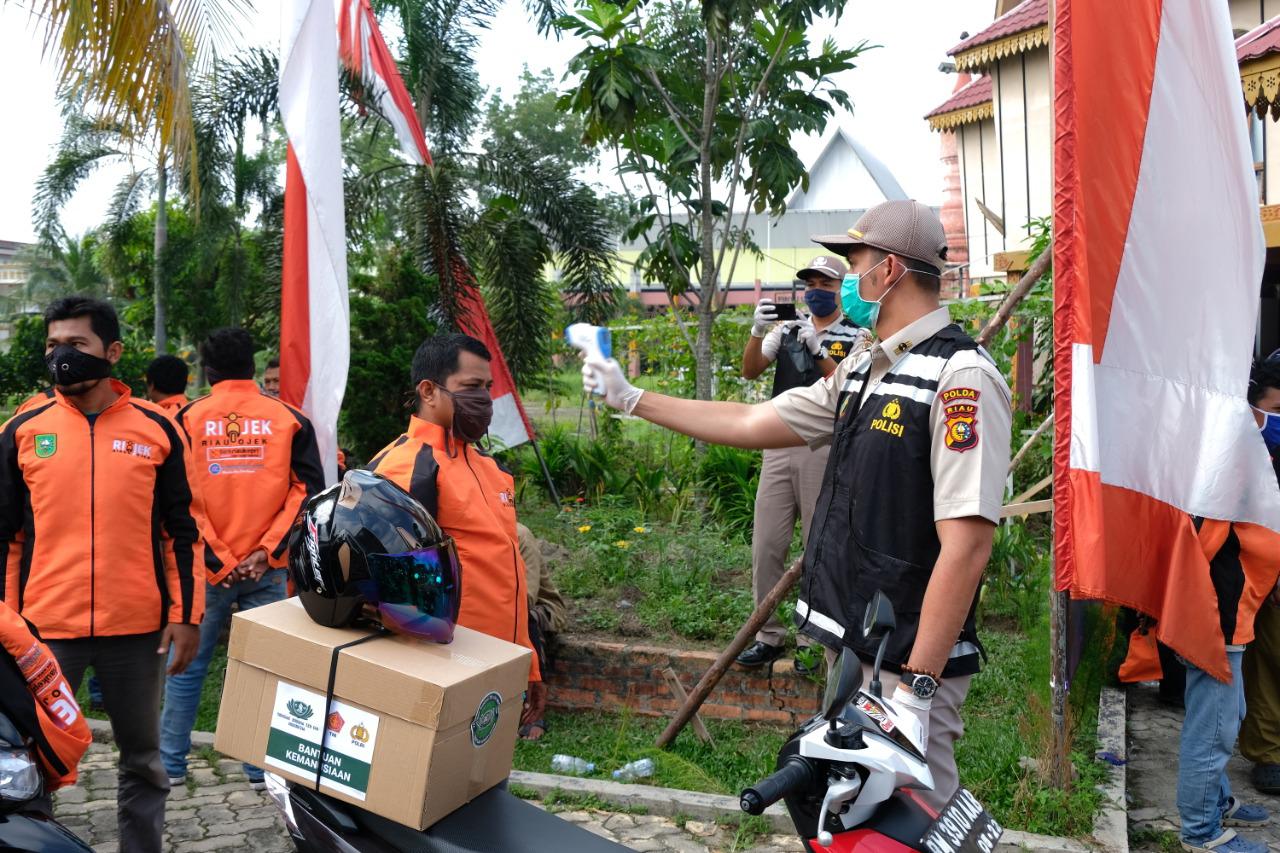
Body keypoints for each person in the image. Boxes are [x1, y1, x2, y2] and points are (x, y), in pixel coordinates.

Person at [582, 200, 1012, 811]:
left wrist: (916, 693)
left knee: (915, 819)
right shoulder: (865, 365)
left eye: (853, 261)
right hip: (855, 642)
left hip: (908, 660)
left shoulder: (958, 375)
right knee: (855, 817)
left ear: (888, 270)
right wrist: (632, 397)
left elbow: (967, 545)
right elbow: (756, 419)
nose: (844, 278)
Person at [0, 296, 204, 853]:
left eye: (76, 345)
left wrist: (186, 617)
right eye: (52, 346)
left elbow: (181, 533)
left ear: (112, 352)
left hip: (136, 632)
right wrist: (8, 623)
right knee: (31, 760)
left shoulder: (158, 430)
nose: (62, 356)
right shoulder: (22, 430)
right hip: (43, 634)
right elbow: (7, 539)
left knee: (143, 760)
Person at [160, 327, 324, 790]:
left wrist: (218, 557)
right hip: (265, 569)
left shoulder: (185, 419)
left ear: (206, 371)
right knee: (264, 670)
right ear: (254, 366)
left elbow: (177, 498)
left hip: (204, 570)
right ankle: (259, 769)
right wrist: (266, 550)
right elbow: (308, 491)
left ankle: (171, 765)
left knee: (186, 667)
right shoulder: (289, 418)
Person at [368, 334, 544, 730]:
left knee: (485, 784)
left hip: (500, 666)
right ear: (428, 391)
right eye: (470, 388)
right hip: (448, 673)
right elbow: (401, 599)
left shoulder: (487, 467)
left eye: (487, 388)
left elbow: (506, 573)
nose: (483, 399)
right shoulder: (403, 469)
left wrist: (528, 664)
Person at [737, 256, 869, 672]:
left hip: (823, 447)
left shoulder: (858, 335)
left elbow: (849, 388)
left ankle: (814, 638)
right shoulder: (787, 329)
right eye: (809, 282)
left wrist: (819, 352)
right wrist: (758, 333)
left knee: (819, 545)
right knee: (767, 546)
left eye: (824, 283)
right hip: (778, 444)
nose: (815, 290)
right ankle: (768, 635)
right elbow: (749, 370)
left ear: (841, 289)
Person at [1172, 365, 1280, 853]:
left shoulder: (1245, 451)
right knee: (1213, 727)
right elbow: (1203, 537)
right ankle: (1201, 832)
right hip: (1218, 609)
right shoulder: (1231, 456)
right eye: (1276, 410)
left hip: (1234, 606)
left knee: (1228, 711)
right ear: (1250, 405)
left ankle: (1216, 802)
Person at [1241, 353, 1280, 796]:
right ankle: (1268, 753)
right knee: (1268, 662)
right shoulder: (1248, 452)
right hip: (1263, 573)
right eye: (1277, 409)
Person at [518, 522, 567, 740]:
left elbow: (526, 598)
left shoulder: (520, 535)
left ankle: (533, 714)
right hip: (498, 605)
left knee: (523, 617)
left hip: (541, 609)